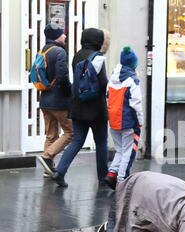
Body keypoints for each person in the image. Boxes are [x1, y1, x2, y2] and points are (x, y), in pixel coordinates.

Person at [52, 28, 111, 188]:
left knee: (77, 140)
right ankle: (103, 177)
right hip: (96, 108)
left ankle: (60, 171)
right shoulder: (98, 58)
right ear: (97, 41)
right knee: (101, 142)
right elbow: (103, 82)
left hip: (78, 105)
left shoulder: (76, 55)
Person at [103, 47, 143, 190]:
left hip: (113, 121)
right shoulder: (132, 81)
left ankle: (112, 173)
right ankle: (122, 180)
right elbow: (136, 104)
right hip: (129, 122)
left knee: (120, 150)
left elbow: (107, 99)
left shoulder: (112, 79)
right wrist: (140, 122)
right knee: (128, 152)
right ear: (134, 64)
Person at [37, 24, 73, 178]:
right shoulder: (59, 51)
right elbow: (63, 76)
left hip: (45, 99)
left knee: (51, 135)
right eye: (62, 34)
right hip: (58, 101)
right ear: (57, 36)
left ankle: (48, 169)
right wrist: (69, 94)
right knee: (71, 132)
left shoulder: (43, 50)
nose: (65, 36)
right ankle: (47, 156)